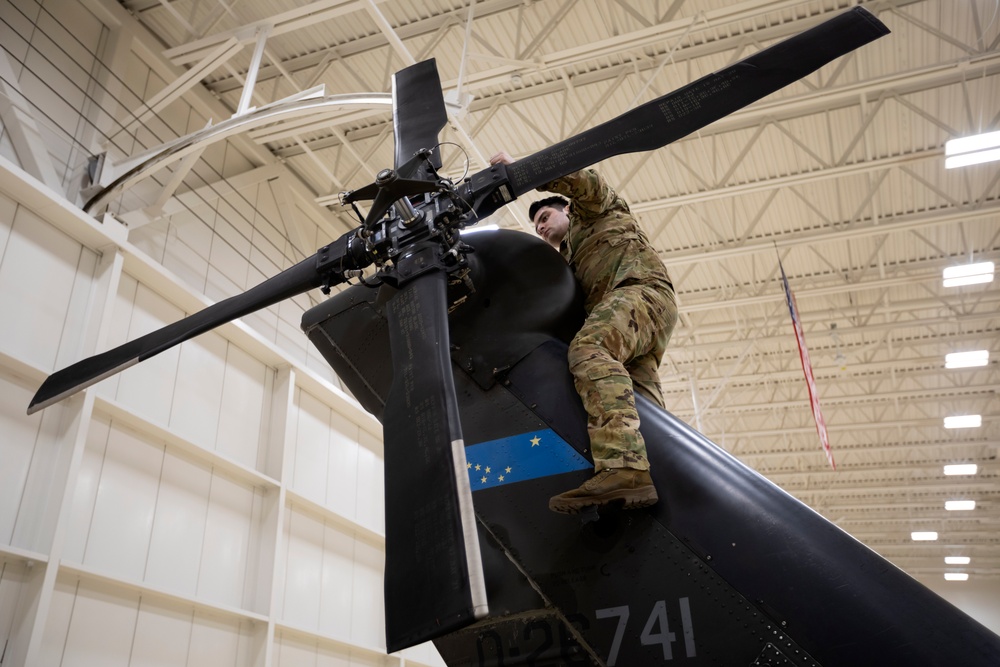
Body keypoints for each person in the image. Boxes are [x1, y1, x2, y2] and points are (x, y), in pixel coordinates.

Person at [489, 152, 678, 514]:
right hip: (631, 321)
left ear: (565, 209)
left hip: (640, 291)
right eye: (536, 226)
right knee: (645, 410)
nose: (541, 227)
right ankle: (660, 488)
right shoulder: (570, 265)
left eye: (544, 217)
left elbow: (582, 181)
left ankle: (623, 469)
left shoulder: (596, 208)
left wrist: (524, 171)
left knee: (588, 349)